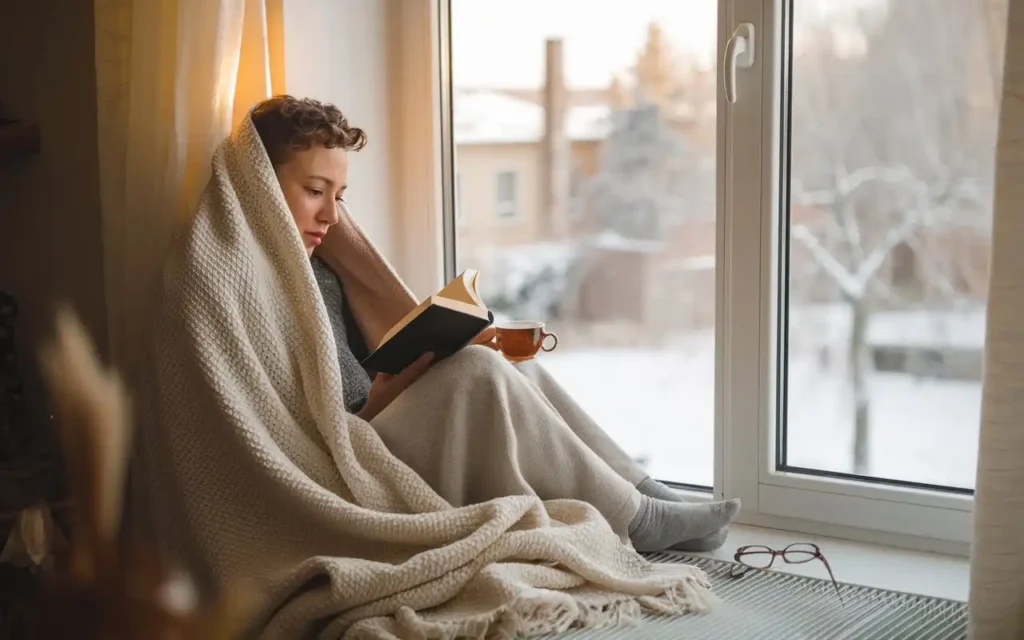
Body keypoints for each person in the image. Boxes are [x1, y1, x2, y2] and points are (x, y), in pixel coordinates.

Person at [249, 95, 739, 553]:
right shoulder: (248, 281)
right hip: (355, 451)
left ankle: (638, 491)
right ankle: (638, 519)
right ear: (263, 186)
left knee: (510, 362)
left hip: (378, 415)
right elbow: (292, 435)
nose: (332, 215)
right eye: (315, 191)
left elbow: (359, 355)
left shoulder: (320, 263)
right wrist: (377, 403)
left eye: (340, 195)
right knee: (478, 371)